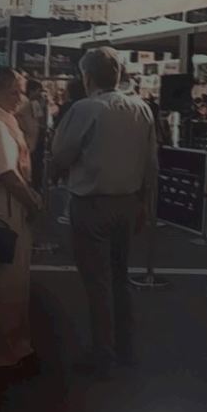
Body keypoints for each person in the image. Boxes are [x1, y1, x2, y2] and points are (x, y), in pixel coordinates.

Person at [46, 50, 159, 375]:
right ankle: (126, 347)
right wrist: (144, 204)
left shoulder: (85, 108)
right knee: (120, 277)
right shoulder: (141, 108)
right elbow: (151, 163)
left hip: (92, 204)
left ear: (88, 77)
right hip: (128, 203)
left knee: (97, 283)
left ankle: (103, 355)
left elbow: (61, 153)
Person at [0, 67, 45, 369]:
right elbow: (7, 175)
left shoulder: (4, 120)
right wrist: (33, 201)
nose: (20, 98)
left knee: (11, 283)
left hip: (11, 208)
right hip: (3, 210)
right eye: (15, 92)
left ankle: (11, 344)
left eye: (21, 91)